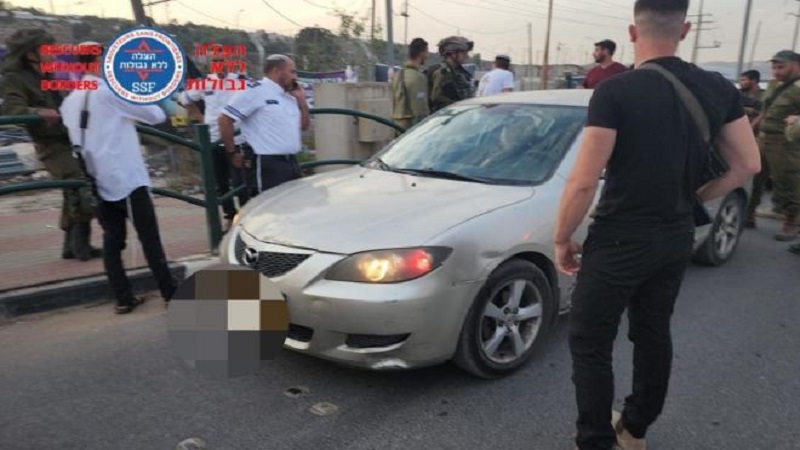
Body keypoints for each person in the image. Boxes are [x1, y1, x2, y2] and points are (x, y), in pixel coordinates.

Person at [553, 1, 761, 449]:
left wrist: (561, 238)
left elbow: (584, 181)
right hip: (675, 234)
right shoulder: (718, 88)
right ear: (684, 30)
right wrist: (696, 197)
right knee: (652, 332)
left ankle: (595, 440)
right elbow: (748, 164)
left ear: (632, 32)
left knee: (590, 341)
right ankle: (635, 429)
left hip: (620, 237)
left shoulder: (615, 91)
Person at [59, 42, 177, 314]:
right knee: (150, 239)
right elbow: (156, 115)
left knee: (112, 240)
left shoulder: (69, 101)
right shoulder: (109, 93)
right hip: (127, 179)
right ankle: (170, 293)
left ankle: (123, 298)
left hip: (96, 181)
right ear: (98, 62)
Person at [0, 28, 101, 261]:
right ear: (30, 53)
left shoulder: (48, 73)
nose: (53, 52)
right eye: (47, 48)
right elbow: (11, 110)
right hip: (49, 143)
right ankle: (81, 245)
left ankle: (71, 246)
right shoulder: (15, 78)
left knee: (73, 189)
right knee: (79, 183)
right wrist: (37, 112)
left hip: (70, 137)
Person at [219, 54, 310, 196]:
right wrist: (232, 152)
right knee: (268, 206)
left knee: (294, 204)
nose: (295, 77)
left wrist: (302, 103)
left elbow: (303, 126)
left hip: (291, 161)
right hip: (266, 163)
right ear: (276, 71)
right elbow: (225, 119)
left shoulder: (291, 96)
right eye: (292, 72)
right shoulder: (255, 90)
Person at [181, 50, 250, 231]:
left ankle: (246, 220)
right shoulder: (204, 83)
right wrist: (200, 117)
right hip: (213, 139)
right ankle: (230, 217)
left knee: (241, 182)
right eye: (215, 61)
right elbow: (184, 99)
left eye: (222, 60)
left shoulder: (241, 81)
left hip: (238, 139)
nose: (219, 64)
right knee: (221, 183)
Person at [751, 50, 800, 240]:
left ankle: (791, 223)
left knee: (787, 182)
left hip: (786, 143)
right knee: (752, 177)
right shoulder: (773, 84)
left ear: (796, 65)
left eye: (781, 67)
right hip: (763, 138)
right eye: (774, 67)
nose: (776, 71)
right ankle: (748, 214)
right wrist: (752, 128)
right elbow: (765, 111)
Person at [739, 69, 767, 227]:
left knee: (756, 178)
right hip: (739, 137)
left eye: (745, 80)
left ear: (754, 81)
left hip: (757, 139)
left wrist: (754, 112)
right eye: (741, 80)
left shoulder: (764, 96)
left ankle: (750, 214)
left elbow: (768, 113)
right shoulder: (738, 95)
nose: (742, 83)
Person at [391, 37, 430, 132]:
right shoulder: (418, 77)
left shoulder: (397, 75)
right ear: (421, 53)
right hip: (410, 128)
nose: (427, 55)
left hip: (396, 126)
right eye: (426, 52)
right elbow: (420, 108)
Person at [430, 36, 475, 113]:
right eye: (464, 53)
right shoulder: (442, 73)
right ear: (453, 54)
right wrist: (456, 105)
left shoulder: (460, 73)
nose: (466, 56)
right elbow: (436, 97)